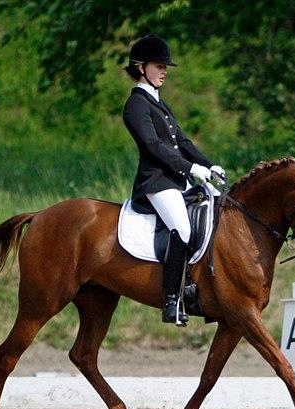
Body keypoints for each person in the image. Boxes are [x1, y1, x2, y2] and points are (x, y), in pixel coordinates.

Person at [123, 34, 225, 325]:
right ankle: (171, 300)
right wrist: (191, 169)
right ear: (141, 67)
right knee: (181, 227)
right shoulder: (136, 105)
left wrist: (208, 164)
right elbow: (154, 147)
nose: (164, 71)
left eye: (165, 66)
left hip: (177, 180)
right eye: (159, 66)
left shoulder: (158, 103)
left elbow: (182, 141)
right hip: (156, 182)